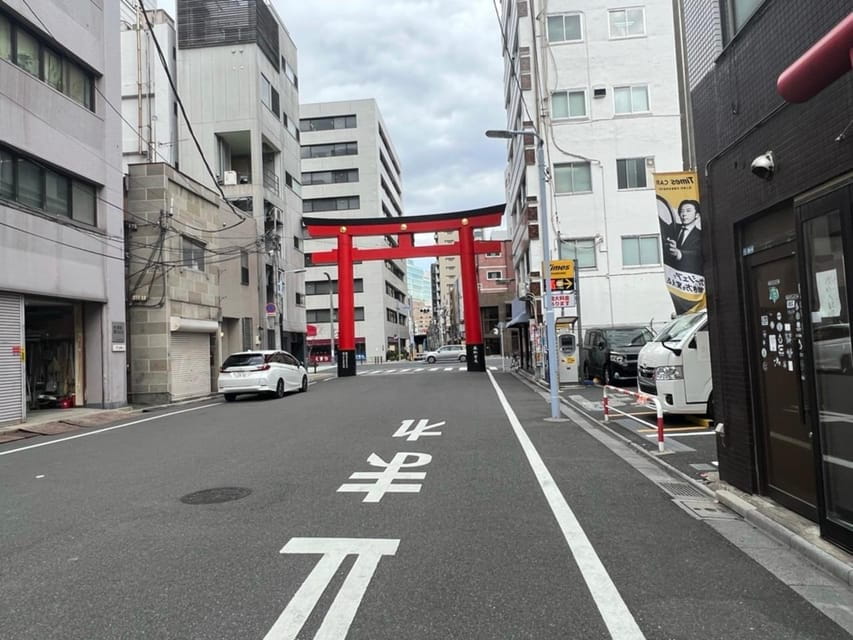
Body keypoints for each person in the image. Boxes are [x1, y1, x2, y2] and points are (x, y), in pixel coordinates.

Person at [663, 198, 702, 276]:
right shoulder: (672, 227)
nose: (684, 214)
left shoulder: (700, 234)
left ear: (697, 215)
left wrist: (679, 253)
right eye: (681, 211)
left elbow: (698, 254)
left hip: (689, 276)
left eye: (688, 211)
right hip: (670, 274)